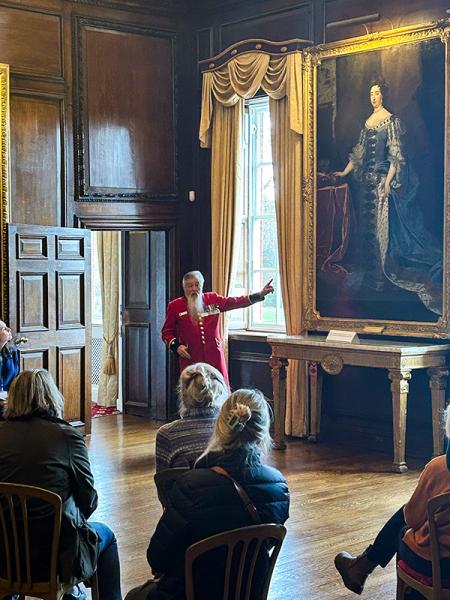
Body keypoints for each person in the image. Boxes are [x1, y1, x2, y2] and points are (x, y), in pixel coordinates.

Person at [126, 388, 290, 600]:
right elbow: (265, 544)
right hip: (249, 593)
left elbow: (158, 558)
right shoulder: (278, 486)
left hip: (192, 593)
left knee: (133, 596)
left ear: (221, 426)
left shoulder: (191, 485)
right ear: (262, 432)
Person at [0, 369, 122, 600]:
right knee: (107, 537)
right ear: (51, 396)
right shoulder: (66, 436)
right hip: (56, 557)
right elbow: (89, 500)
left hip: (5, 556)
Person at [333, 78, 442, 314]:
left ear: (384, 95)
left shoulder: (391, 121)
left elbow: (395, 156)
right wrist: (344, 172)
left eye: (376, 93)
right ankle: (373, 281)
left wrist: (389, 182)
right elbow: (359, 155)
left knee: (384, 235)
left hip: (382, 185)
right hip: (367, 188)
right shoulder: (368, 123)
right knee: (368, 233)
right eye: (371, 93)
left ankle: (385, 279)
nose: (373, 97)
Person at [334, 405, 450, 595]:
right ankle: (361, 567)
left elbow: (411, 519)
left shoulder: (439, 468)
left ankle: (364, 566)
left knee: (404, 527)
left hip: (441, 567)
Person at [161, 271, 274, 387]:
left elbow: (235, 302)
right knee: (193, 393)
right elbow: (166, 332)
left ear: (202, 285)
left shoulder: (213, 299)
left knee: (220, 389)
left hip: (214, 356)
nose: (194, 289)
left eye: (197, 285)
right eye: (190, 286)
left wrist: (259, 295)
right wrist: (176, 346)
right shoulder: (175, 306)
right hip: (191, 357)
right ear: (184, 287)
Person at [155, 362, 228, 472]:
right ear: (221, 392)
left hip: (184, 489)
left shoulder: (167, 434)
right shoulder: (233, 430)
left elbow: (164, 484)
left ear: (183, 395)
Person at [0, 320, 20, 415]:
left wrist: (13, 399)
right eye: (4, 328)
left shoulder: (12, 351)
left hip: (10, 401)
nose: (9, 329)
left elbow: (17, 379)